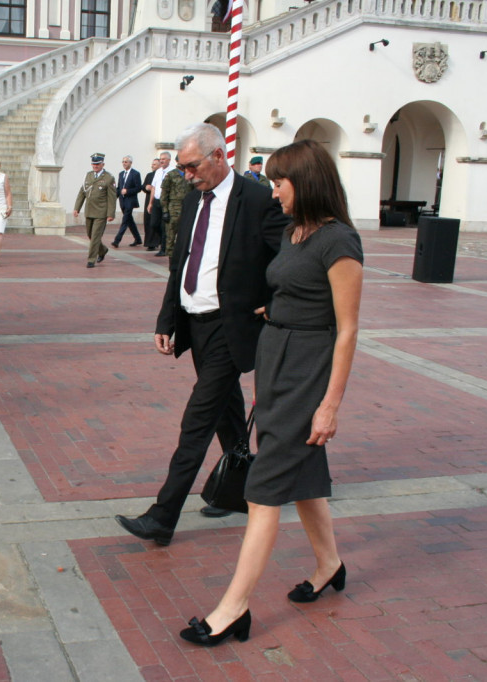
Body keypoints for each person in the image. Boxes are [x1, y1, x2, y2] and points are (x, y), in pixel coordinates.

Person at [178, 139, 363, 648]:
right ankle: (330, 564)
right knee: (301, 477)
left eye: (279, 181)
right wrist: (272, 309)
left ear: (305, 182)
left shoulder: (339, 242)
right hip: (276, 362)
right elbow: (288, 288)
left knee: (263, 490)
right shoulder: (296, 233)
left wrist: (330, 405)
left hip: (308, 373)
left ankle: (232, 608)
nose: (272, 189)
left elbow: (346, 329)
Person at [115, 122, 288, 545]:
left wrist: (276, 303)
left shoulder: (258, 201)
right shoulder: (193, 202)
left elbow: (289, 259)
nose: (186, 175)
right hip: (196, 323)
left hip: (234, 326)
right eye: (181, 168)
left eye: (192, 167)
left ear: (218, 156)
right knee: (225, 409)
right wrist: (166, 319)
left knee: (196, 420)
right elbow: (180, 262)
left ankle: (162, 515)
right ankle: (237, 486)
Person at [73, 152, 116, 268]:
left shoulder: (108, 178)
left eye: (97, 164)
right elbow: (82, 193)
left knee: (95, 236)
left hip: (101, 212)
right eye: (93, 164)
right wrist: (77, 208)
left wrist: (111, 213)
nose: (95, 166)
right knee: (90, 235)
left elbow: (112, 198)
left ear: (103, 164)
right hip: (89, 210)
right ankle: (102, 250)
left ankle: (91, 259)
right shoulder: (88, 176)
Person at [160, 159, 191, 260]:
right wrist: (165, 210)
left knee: (186, 236)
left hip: (187, 208)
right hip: (173, 209)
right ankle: (171, 259)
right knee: (171, 236)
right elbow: (164, 194)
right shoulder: (171, 175)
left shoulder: (190, 174)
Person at [111, 155, 142, 247]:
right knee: (129, 220)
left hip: (130, 200)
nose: (124, 163)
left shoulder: (135, 174)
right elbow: (119, 187)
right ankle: (138, 239)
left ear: (130, 163)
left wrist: (128, 191)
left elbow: (138, 188)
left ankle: (117, 240)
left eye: (126, 161)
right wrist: (114, 196)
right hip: (122, 200)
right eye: (123, 161)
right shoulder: (121, 174)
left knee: (125, 220)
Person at [147, 151, 174, 254]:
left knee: (164, 225)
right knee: (154, 223)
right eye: (161, 159)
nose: (162, 161)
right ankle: (163, 240)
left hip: (166, 201)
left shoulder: (172, 172)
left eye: (164, 159)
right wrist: (151, 202)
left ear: (169, 160)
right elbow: (154, 187)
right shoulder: (158, 172)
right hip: (157, 201)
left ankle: (164, 248)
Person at [139, 158, 159, 247]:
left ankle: (154, 242)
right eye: (152, 164)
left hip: (157, 200)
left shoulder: (161, 175)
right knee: (147, 221)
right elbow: (143, 186)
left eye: (154, 164)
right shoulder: (149, 175)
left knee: (154, 222)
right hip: (148, 200)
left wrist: (154, 188)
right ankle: (148, 242)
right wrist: (146, 187)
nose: (152, 166)